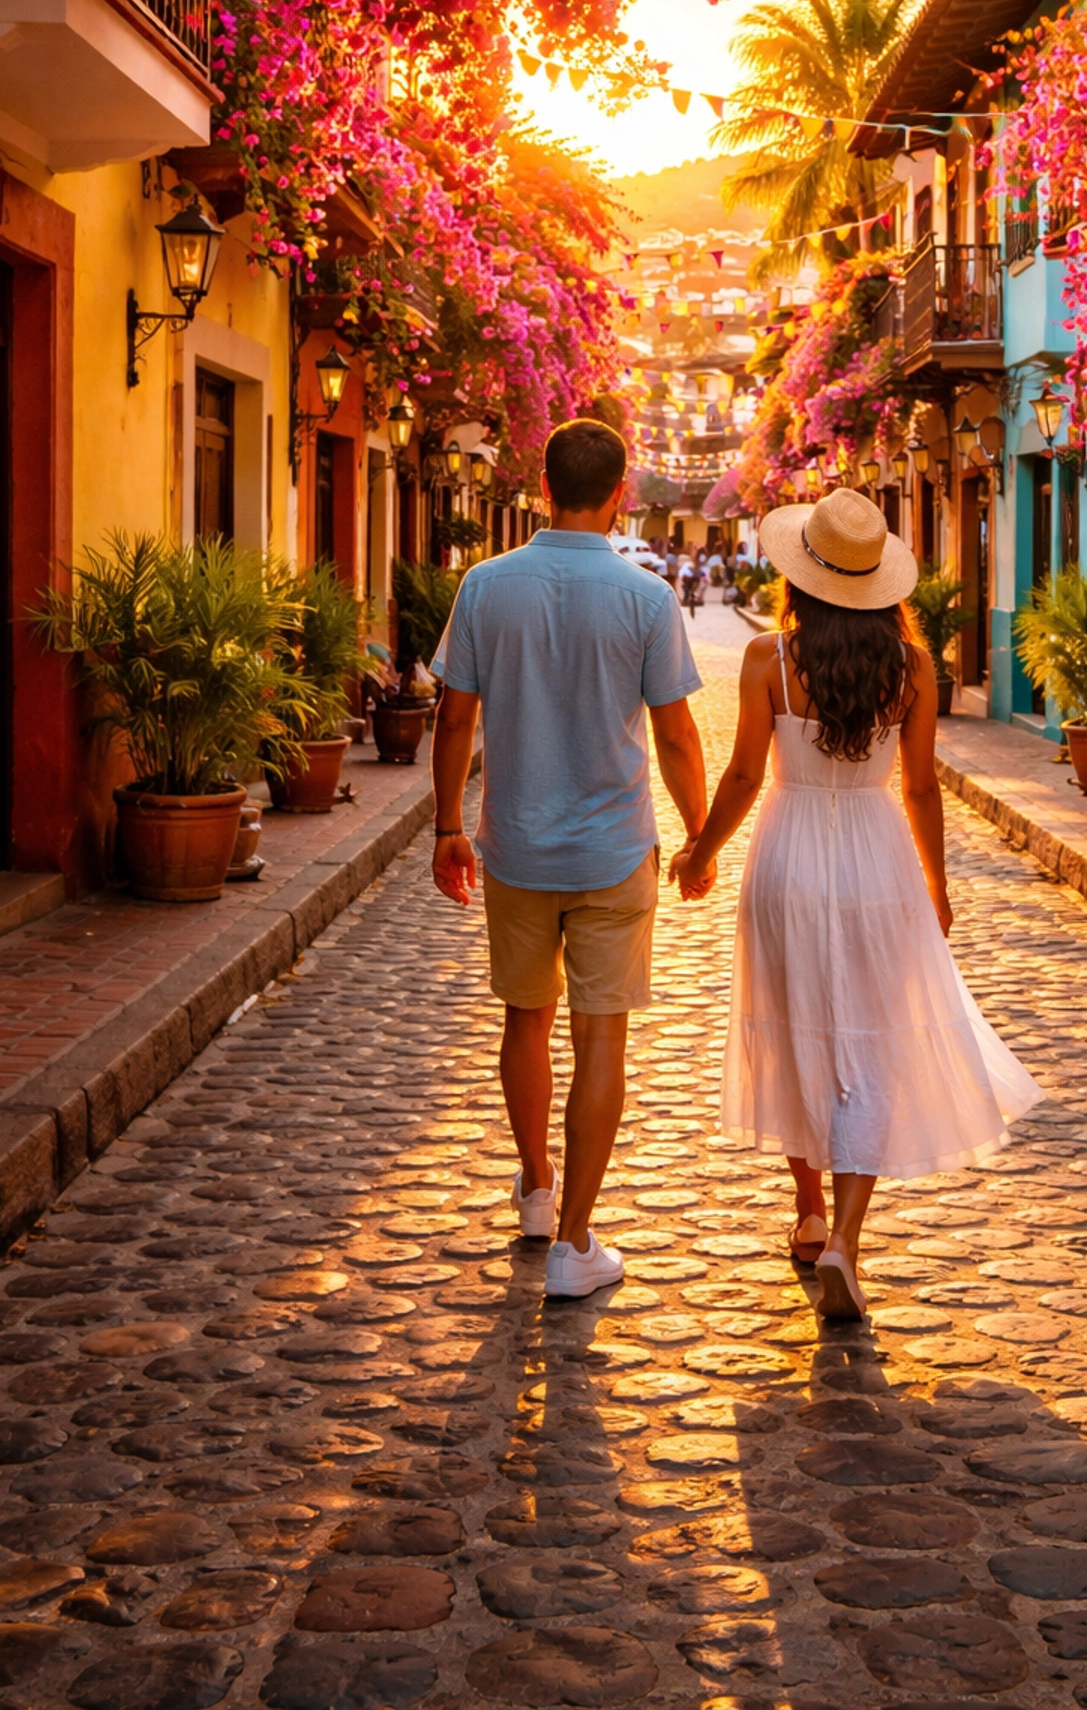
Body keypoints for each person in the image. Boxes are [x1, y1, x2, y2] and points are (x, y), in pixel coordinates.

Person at [674, 489, 1042, 1321]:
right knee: (869, 1046)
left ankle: (804, 1213)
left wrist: (702, 852)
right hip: (878, 861)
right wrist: (936, 885)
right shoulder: (912, 669)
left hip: (787, 859)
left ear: (802, 577)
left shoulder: (770, 657)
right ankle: (844, 1235)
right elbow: (919, 788)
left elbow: (739, 778)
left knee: (796, 1027)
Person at [431, 418, 708, 1298]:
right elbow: (674, 734)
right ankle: (575, 1245)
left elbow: (453, 717)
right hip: (614, 849)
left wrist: (448, 825)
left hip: (515, 845)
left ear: (543, 485)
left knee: (525, 1019)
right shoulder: (645, 596)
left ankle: (538, 1193)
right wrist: (701, 834)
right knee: (600, 1039)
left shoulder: (485, 585)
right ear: (621, 492)